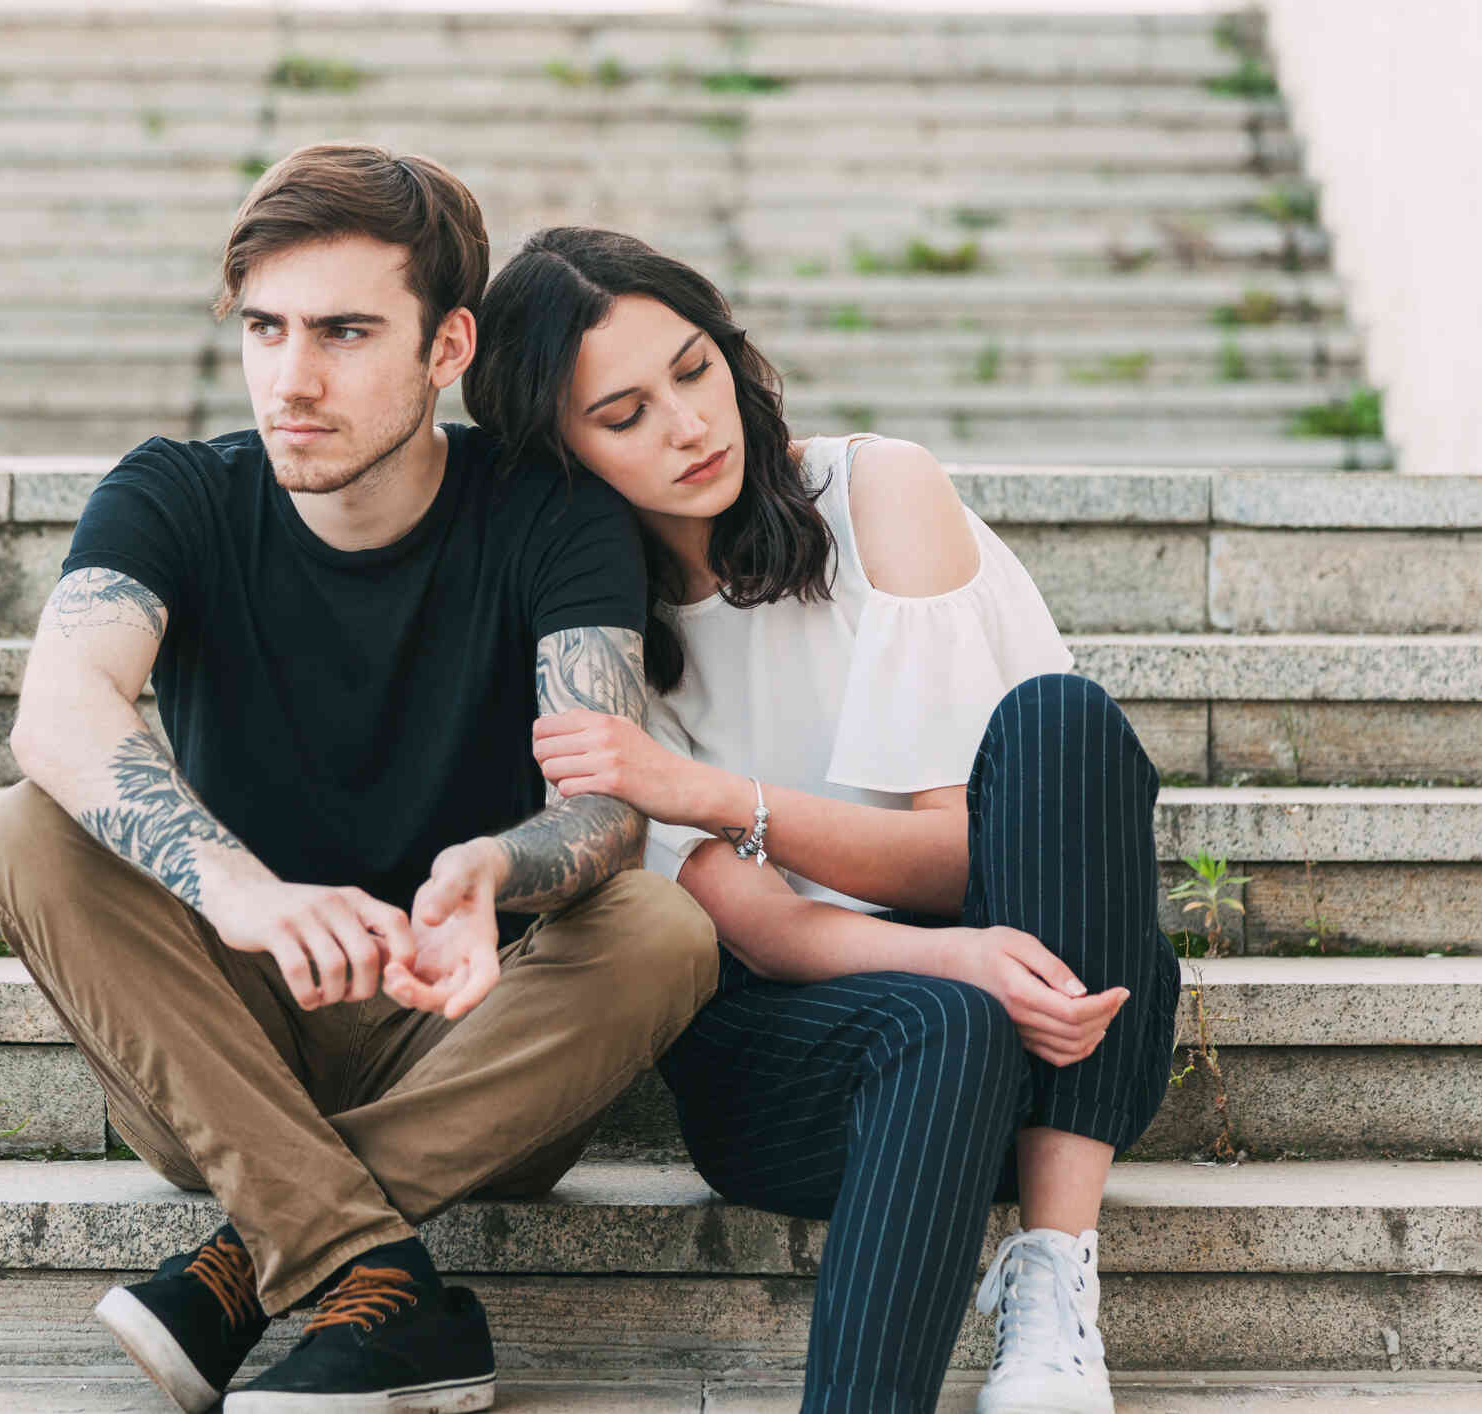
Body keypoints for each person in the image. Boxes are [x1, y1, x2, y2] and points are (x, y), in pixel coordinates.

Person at [0, 153, 718, 1414]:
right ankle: (382, 1287)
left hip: (475, 1040)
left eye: (344, 332)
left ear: (447, 349)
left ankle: (239, 1261)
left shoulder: (551, 514)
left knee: (664, 923)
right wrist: (244, 893)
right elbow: (57, 710)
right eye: (264, 329)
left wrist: (494, 867)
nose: (292, 379)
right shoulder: (176, 494)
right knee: (30, 828)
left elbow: (604, 802)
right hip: (218, 1045)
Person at [463, 226, 1182, 1414]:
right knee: (945, 1018)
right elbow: (761, 929)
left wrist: (705, 793)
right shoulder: (597, 631)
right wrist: (948, 963)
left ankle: (1054, 1272)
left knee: (1065, 723)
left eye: (693, 372)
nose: (689, 427)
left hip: (1068, 1036)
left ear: (734, 358)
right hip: (809, 1073)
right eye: (624, 413)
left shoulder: (877, 493)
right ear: (561, 453)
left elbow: (961, 853)